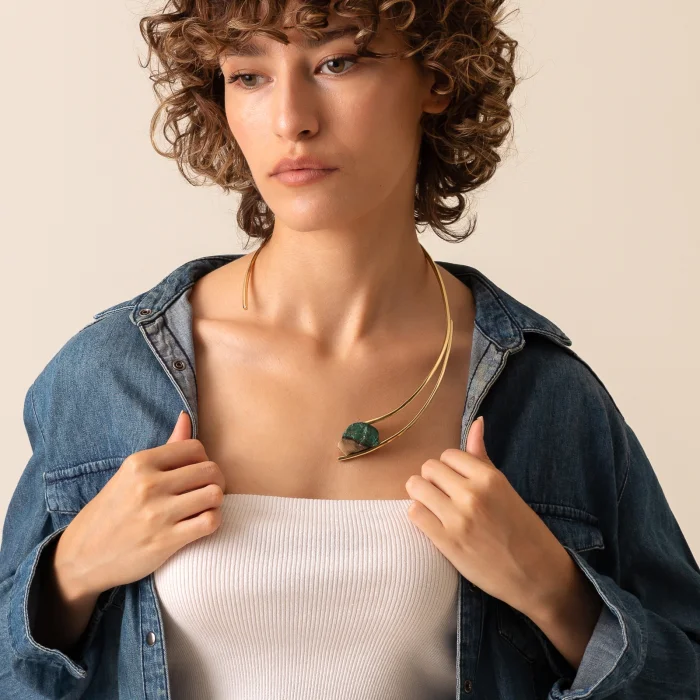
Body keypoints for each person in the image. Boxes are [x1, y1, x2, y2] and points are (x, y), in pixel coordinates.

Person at [2, 1, 699, 698]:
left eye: (337, 63)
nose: (291, 120)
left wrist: (556, 592)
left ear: (437, 77)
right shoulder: (108, 376)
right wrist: (70, 575)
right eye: (249, 76)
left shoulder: (545, 396)